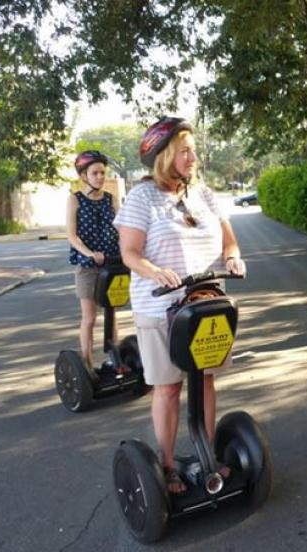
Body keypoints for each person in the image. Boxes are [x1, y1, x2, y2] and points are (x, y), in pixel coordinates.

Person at [114, 117, 246, 494]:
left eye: (193, 149)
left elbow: (229, 243)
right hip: (160, 309)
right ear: (165, 155)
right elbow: (129, 253)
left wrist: (233, 258)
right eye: (184, 150)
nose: (193, 157)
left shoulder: (203, 194)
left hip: (205, 303)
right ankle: (169, 466)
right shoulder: (143, 198)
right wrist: (154, 271)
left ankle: (206, 456)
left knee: (205, 380)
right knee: (169, 388)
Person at [66, 150, 120, 369]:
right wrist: (89, 253)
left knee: (111, 315)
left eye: (102, 173)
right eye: (95, 173)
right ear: (84, 176)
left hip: (112, 264)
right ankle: (87, 365)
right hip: (88, 267)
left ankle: (116, 361)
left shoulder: (111, 199)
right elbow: (72, 235)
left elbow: (122, 227)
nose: (100, 177)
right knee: (90, 318)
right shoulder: (74, 199)